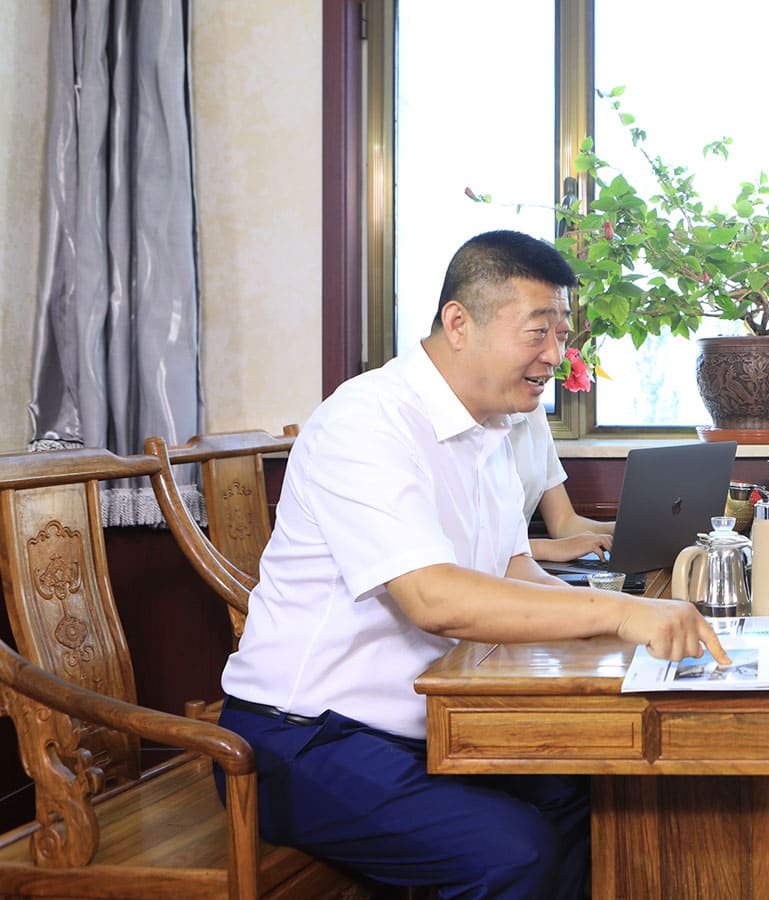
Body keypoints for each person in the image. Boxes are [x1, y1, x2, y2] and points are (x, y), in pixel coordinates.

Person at [217, 229, 729, 898]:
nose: (555, 356)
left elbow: (515, 571)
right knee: (511, 855)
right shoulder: (367, 421)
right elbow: (434, 600)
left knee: (588, 790)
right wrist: (619, 614)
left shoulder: (491, 428)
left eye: (562, 335)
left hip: (427, 723)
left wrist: (630, 621)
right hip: (303, 739)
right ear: (459, 323)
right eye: (538, 332)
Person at [509, 407, 615, 562]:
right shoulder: (475, 431)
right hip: (492, 568)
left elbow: (562, 521)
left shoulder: (533, 411)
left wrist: (618, 530)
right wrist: (550, 548)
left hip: (519, 563)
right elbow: (480, 549)